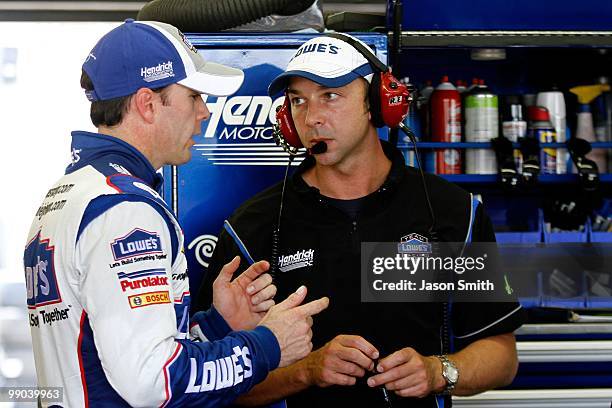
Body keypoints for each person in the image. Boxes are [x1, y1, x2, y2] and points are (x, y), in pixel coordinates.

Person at [194, 33, 525, 407]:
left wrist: (438, 372)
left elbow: (502, 355)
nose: (312, 117)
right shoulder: (252, 226)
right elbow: (211, 379)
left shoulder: (454, 212)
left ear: (377, 103)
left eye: (330, 95)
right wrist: (307, 371)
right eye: (298, 101)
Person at [23, 20, 328, 408]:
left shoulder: (72, 193)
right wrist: (268, 344)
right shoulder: (125, 210)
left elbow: (112, 355)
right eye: (193, 96)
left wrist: (218, 324)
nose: (203, 111)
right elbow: (154, 382)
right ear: (148, 104)